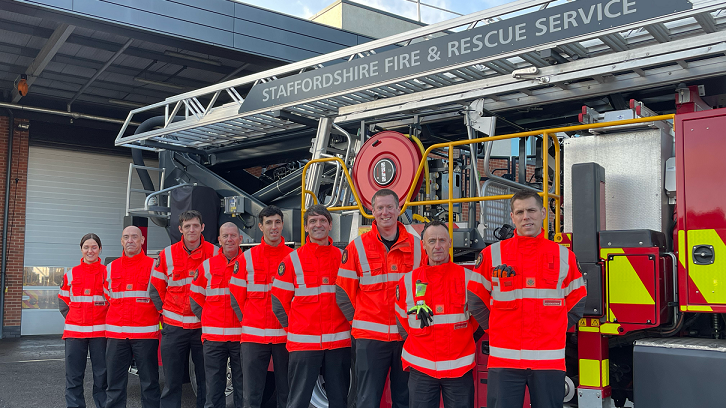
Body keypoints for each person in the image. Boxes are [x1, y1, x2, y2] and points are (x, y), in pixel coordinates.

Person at [467, 191, 587, 408]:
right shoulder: (492, 255)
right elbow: (476, 299)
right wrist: (495, 330)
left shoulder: (564, 256)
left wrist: (555, 328)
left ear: (542, 213)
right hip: (505, 361)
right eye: (520, 212)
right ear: (512, 217)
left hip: (549, 361)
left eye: (531, 210)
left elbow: (577, 302)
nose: (526, 217)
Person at [336, 188, 424, 408]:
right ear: (372, 211)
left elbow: (424, 286)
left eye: (390, 207)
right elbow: (343, 293)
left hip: (407, 337)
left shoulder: (417, 247)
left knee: (405, 398)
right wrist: (360, 323)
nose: (385, 212)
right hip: (370, 340)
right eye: (380, 208)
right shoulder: (357, 247)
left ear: (399, 209)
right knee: (367, 399)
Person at [271, 205, 351, 408]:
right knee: (297, 401)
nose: (318, 225)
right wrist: (295, 329)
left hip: (338, 343)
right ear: (306, 227)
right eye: (313, 221)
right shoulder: (292, 260)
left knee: (340, 400)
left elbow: (353, 297)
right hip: (304, 345)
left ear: (330, 225)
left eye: (323, 220)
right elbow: (278, 302)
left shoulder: (343, 258)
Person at [395, 220, 479, 408]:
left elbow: (477, 319)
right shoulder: (408, 281)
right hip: (421, 369)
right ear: (423, 245)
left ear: (450, 242)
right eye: (432, 241)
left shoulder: (468, 279)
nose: (438, 246)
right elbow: (401, 320)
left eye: (442, 240)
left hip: (459, 368)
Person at [150, 210, 217, 408]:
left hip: (203, 328)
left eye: (196, 225)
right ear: (180, 229)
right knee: (172, 382)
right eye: (187, 226)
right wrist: (166, 313)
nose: (192, 229)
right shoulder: (167, 254)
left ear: (203, 227)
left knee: (206, 380)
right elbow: (155, 289)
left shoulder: (214, 253)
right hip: (174, 328)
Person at [229, 205, 293, 408]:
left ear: (282, 224)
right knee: (252, 395)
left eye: (277, 222)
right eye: (268, 223)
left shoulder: (293, 258)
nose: (273, 227)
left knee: (287, 393)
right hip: (254, 339)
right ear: (260, 226)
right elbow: (236, 298)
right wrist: (249, 322)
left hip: (285, 337)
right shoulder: (246, 259)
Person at [105, 226, 162, 408]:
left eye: (134, 237)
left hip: (145, 335)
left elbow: (161, 297)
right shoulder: (110, 268)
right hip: (116, 336)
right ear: (121, 241)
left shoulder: (154, 267)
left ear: (142, 240)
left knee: (150, 383)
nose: (130, 240)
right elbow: (106, 296)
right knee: (114, 385)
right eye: (126, 237)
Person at [190, 222, 245, 408]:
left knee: (243, 388)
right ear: (219, 240)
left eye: (233, 235)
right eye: (225, 236)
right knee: (213, 389)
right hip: (214, 339)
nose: (229, 239)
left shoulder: (248, 264)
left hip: (242, 337)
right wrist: (208, 320)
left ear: (240, 239)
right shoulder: (207, 266)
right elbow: (196, 300)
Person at [59, 233, 109, 408]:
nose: (90, 251)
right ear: (81, 249)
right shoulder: (70, 274)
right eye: (86, 247)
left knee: (102, 376)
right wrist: (76, 320)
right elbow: (63, 303)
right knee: (73, 377)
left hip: (101, 334)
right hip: (75, 333)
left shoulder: (107, 274)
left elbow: (113, 302)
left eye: (94, 247)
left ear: (100, 249)